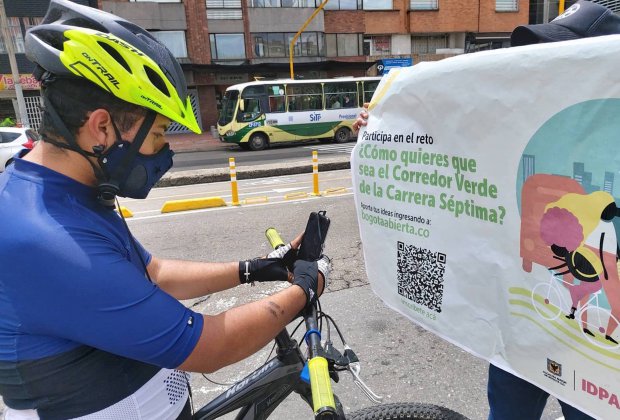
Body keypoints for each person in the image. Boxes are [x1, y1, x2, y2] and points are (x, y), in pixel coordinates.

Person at [0, 1, 330, 419]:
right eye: (158, 132)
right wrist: (305, 289)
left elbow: (153, 273)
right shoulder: (45, 235)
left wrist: (255, 267)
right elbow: (208, 346)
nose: (164, 150)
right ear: (102, 127)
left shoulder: (67, 193)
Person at [354, 2, 620, 419]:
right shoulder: (531, 122)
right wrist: (387, 127)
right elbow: (455, 136)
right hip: (524, 328)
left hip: (596, 349)